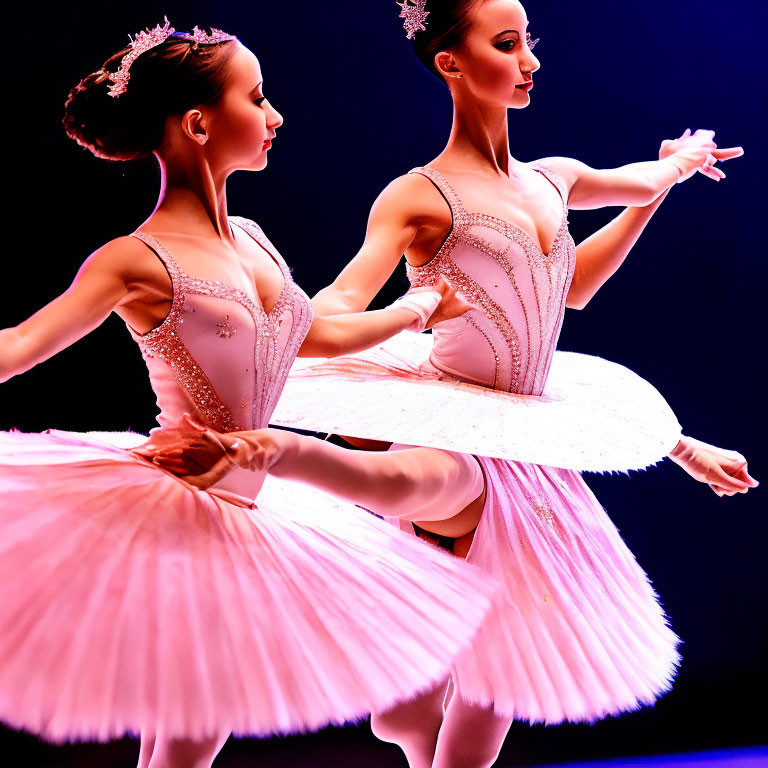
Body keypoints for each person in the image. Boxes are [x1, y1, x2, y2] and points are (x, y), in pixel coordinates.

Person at [143, 3, 757, 767]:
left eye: (530, 41)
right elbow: (339, 299)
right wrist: (323, 319)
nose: (529, 59)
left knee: (471, 682)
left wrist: (676, 166)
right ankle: (282, 463)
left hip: (525, 437)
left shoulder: (553, 179)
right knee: (453, 652)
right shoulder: (420, 197)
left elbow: (584, 277)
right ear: (451, 64)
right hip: (455, 427)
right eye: (506, 44)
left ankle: (409, 712)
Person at [0, 19, 509, 768]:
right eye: (257, 97)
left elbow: (317, 338)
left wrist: (422, 308)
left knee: (193, 730)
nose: (275, 116)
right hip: (188, 499)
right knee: (193, 727)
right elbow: (17, 347)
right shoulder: (133, 259)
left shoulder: (253, 237)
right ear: (200, 124)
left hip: (258, 499)